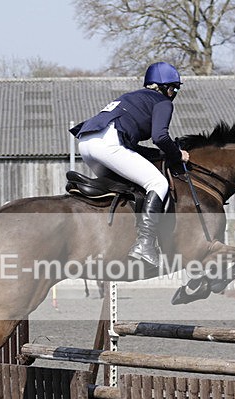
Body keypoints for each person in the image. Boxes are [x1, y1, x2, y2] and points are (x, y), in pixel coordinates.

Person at [70, 61, 189, 268]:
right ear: (162, 87)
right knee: (158, 184)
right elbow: (160, 137)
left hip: (87, 144)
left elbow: (132, 148)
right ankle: (144, 244)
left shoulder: (132, 97)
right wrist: (177, 155)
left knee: (127, 187)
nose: (175, 92)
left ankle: (117, 234)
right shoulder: (162, 102)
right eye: (173, 87)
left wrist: (159, 154)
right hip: (108, 145)